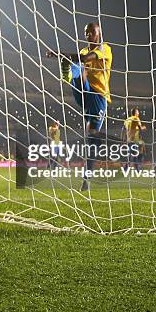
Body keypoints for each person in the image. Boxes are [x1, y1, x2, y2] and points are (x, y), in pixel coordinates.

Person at [47, 22, 112, 191]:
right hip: (84, 93)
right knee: (78, 67)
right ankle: (68, 74)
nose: (88, 34)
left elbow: (85, 59)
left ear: (99, 33)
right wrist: (66, 58)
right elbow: (81, 58)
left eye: (92, 31)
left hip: (98, 97)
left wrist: (61, 54)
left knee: (91, 139)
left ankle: (86, 179)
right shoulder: (83, 50)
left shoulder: (105, 49)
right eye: (86, 32)